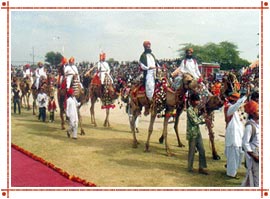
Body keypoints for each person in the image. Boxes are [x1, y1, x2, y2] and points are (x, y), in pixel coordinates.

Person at [224, 88, 250, 179]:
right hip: (233, 135)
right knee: (233, 154)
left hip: (240, 135)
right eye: (234, 98)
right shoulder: (229, 107)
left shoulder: (239, 110)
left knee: (239, 154)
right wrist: (245, 97)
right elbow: (237, 105)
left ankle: (233, 170)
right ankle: (231, 173)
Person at [186, 93, 209, 175]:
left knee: (202, 150)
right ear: (191, 101)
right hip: (192, 133)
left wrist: (203, 119)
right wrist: (203, 117)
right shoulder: (189, 110)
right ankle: (190, 168)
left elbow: (198, 121)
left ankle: (202, 167)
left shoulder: (196, 109)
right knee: (192, 151)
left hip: (197, 132)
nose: (198, 102)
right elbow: (195, 121)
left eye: (198, 100)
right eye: (196, 101)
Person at [241, 100, 259, 187]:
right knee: (256, 178)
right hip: (254, 155)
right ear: (252, 113)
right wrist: (254, 156)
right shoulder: (250, 126)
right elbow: (245, 143)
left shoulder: (258, 124)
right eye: (258, 111)